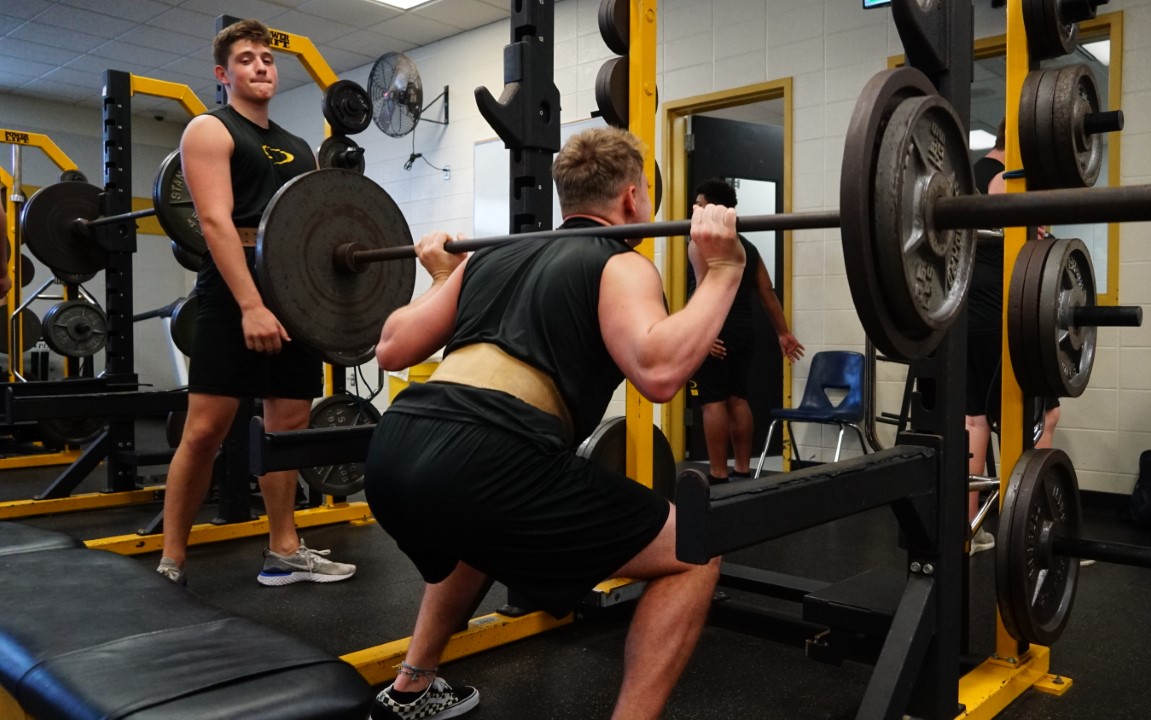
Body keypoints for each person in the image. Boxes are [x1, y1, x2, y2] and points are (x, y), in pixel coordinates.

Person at [364, 126, 743, 720]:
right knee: (696, 547)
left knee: (476, 531)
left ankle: (412, 685)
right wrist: (721, 270)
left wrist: (441, 275)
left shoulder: (489, 255)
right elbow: (660, 371)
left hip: (393, 450)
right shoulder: (620, 261)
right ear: (632, 200)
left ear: (565, 198)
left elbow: (389, 348)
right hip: (491, 458)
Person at [155, 19, 355, 586]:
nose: (261, 66)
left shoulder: (297, 147)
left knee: (287, 427)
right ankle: (172, 558)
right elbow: (215, 222)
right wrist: (249, 305)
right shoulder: (209, 131)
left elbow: (313, 231)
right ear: (224, 75)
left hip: (292, 293)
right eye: (246, 59)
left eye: (267, 58)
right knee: (205, 430)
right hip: (232, 291)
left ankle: (284, 548)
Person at [966, 119, 1061, 554]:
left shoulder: (967, 173)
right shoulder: (1008, 179)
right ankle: (1031, 524)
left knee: (975, 419)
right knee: (1043, 415)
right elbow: (1029, 244)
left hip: (964, 308)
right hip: (1001, 309)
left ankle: (970, 528)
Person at [686, 178, 804, 483]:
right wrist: (782, 333)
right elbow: (767, 292)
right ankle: (741, 467)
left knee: (713, 402)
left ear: (712, 209)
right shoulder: (747, 247)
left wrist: (704, 333)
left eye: (699, 205)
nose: (694, 210)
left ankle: (718, 473)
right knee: (738, 398)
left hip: (717, 331)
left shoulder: (700, 243)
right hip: (743, 332)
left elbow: (702, 293)